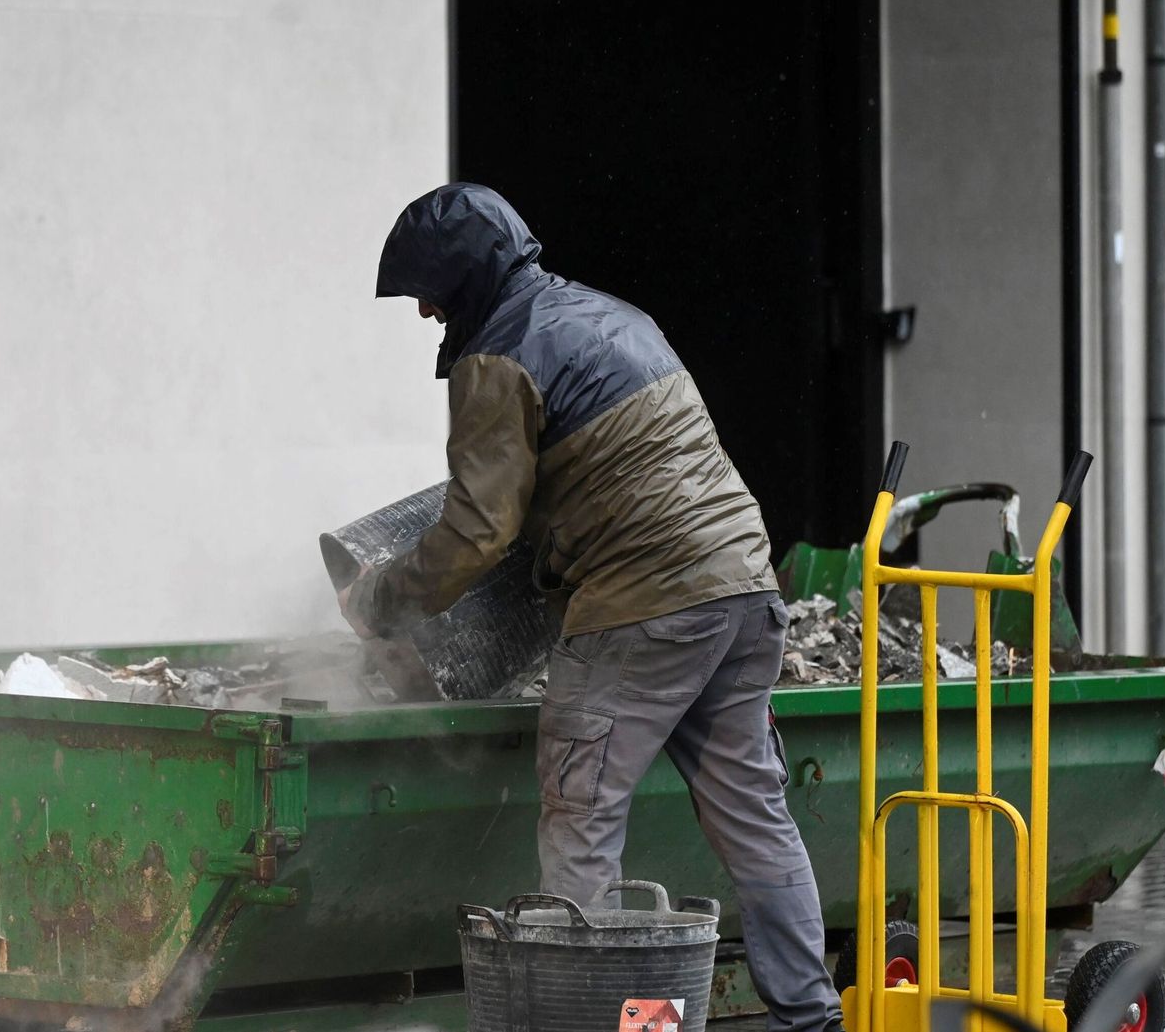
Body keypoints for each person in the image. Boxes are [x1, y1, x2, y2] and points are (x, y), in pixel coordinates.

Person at [340, 183, 843, 1032]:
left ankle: (574, 1021)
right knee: (755, 817)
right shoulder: (611, 315)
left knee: (581, 815)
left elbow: (477, 529)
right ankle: (811, 1018)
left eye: (429, 291)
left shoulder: (498, 357)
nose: (425, 311)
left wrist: (382, 597)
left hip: (645, 603)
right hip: (744, 585)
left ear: (464, 280)